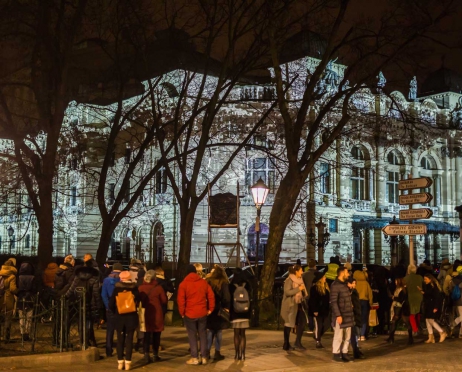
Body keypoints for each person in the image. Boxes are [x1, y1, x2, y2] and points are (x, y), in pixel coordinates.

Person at [177, 264, 215, 365]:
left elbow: (181, 300)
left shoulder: (183, 284)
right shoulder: (203, 282)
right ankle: (204, 357)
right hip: (202, 312)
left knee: (192, 335)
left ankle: (194, 357)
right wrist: (210, 309)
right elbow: (211, 296)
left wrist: (182, 312)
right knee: (203, 334)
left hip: (189, 313)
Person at [65, 259, 101, 347]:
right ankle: (86, 341)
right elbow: (96, 294)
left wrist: (65, 297)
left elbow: (71, 289)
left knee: (80, 322)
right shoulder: (94, 278)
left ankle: (83, 341)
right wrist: (99, 306)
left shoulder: (78, 276)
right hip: (90, 303)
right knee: (88, 323)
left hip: (78, 303)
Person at [109, 271, 140, 371]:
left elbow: (111, 304)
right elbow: (138, 301)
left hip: (120, 317)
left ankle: (120, 362)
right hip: (131, 317)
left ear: (121, 278)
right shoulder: (135, 289)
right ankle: (128, 362)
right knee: (129, 339)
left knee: (120, 339)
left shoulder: (117, 289)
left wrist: (116, 311)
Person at [139, 269, 167, 363]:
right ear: (155, 277)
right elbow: (164, 301)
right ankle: (155, 354)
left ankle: (146, 354)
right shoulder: (158, 288)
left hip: (145, 313)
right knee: (156, 334)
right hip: (156, 313)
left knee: (146, 334)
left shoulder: (141, 288)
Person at [206, 265, 230, 361]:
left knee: (210, 330)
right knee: (218, 331)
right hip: (219, 308)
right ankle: (217, 352)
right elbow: (226, 297)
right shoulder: (223, 282)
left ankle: (206, 352)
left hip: (209, 308)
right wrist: (226, 307)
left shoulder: (208, 281)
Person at [330, 266, 354, 363]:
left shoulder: (345, 285)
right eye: (346, 272)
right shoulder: (335, 285)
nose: (348, 274)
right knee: (339, 336)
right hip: (341, 315)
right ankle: (336, 353)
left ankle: (345, 352)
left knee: (347, 336)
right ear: (342, 273)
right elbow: (334, 301)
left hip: (348, 314)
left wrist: (351, 289)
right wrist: (338, 315)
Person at [281, 264, 307, 351]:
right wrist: (299, 289)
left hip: (299, 304)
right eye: (301, 271)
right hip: (291, 305)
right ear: (296, 271)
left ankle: (298, 342)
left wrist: (303, 292)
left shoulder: (300, 280)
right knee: (288, 324)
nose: (302, 272)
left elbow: (303, 292)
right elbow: (287, 292)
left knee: (302, 322)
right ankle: (286, 343)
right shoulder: (289, 280)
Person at [229, 268, 251, 361]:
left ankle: (236, 354)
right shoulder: (247, 285)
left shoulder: (231, 286)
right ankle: (243, 355)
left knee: (236, 334)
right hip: (245, 313)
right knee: (243, 334)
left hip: (235, 313)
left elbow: (229, 299)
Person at [101, 262, 123, 357]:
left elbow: (103, 295)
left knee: (110, 330)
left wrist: (108, 306)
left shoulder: (106, 280)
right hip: (121, 307)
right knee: (120, 330)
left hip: (110, 306)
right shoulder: (122, 279)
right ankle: (120, 350)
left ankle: (108, 350)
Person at [419, 273, 447, 343]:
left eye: (426, 279)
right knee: (427, 320)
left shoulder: (434, 286)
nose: (425, 280)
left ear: (430, 279)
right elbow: (428, 294)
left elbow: (437, 297)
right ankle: (431, 336)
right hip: (428, 305)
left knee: (431, 320)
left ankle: (442, 332)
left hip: (433, 305)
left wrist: (436, 307)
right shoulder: (428, 286)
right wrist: (423, 292)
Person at [387, 277, 413, 345]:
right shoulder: (399, 289)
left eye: (396, 281)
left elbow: (401, 299)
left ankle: (392, 337)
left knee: (396, 322)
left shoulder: (402, 289)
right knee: (396, 322)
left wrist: (393, 297)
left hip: (400, 308)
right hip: (401, 308)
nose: (395, 282)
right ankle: (391, 337)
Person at [308, 272, 330, 349]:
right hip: (318, 311)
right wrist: (315, 310)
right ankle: (318, 341)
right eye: (324, 277)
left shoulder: (326, 288)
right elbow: (313, 300)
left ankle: (317, 335)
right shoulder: (314, 289)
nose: (325, 278)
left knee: (326, 324)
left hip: (324, 310)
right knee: (319, 325)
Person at [17, 262, 38, 342]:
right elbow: (34, 288)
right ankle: (27, 333)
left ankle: (22, 333)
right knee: (29, 317)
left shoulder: (19, 277)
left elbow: (17, 288)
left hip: (21, 298)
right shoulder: (33, 277)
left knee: (21, 316)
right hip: (29, 298)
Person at [0, 259, 18, 342]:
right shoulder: (12, 276)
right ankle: (6, 337)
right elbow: (12, 289)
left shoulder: (0, 274)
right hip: (8, 299)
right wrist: (17, 291)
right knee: (8, 317)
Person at [353, 268, 373, 340]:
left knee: (357, 318)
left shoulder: (355, 283)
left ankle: (357, 335)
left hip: (356, 301)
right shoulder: (366, 283)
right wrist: (371, 303)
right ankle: (362, 335)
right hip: (365, 301)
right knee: (364, 318)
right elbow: (370, 294)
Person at [348, 277, 365, 359]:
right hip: (353, 315)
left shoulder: (355, 292)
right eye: (353, 283)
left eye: (355, 283)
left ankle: (357, 349)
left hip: (357, 314)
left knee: (356, 333)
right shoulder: (350, 292)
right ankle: (354, 350)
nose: (354, 285)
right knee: (353, 334)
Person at [404, 264, 423, 334]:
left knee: (411, 313)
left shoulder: (406, 278)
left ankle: (415, 329)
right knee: (418, 312)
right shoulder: (420, 277)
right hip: (419, 296)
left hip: (410, 297)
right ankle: (418, 326)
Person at [449, 265, 462, 338]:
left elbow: (450, 289)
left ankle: (460, 333)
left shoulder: (453, 280)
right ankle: (453, 324)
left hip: (456, 300)